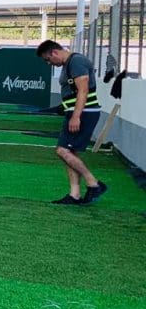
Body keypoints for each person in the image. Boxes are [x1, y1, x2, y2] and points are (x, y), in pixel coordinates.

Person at [36, 40, 107, 205]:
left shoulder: (76, 62)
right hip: (76, 112)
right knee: (70, 152)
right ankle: (74, 194)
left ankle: (94, 183)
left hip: (84, 113)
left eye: (48, 59)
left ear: (54, 52)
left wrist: (76, 116)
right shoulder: (69, 64)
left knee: (62, 151)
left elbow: (83, 90)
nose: (49, 63)